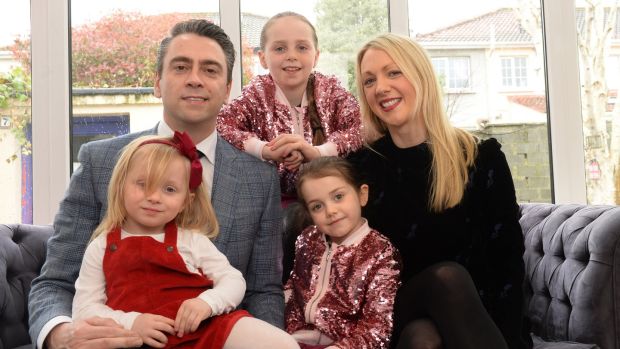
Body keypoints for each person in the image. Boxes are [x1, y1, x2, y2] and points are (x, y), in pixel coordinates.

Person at [29, 19, 284, 349]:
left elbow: (263, 290)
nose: (195, 79)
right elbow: (55, 281)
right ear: (158, 83)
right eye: (180, 67)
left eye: (210, 70)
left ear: (226, 89)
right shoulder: (100, 161)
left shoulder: (259, 178)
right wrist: (62, 335)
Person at [348, 33, 532, 349]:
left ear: (421, 77)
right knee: (446, 279)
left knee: (425, 338)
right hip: (391, 312)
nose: (380, 87)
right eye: (369, 80)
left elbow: (507, 261)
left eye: (393, 72)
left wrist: (510, 336)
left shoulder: (480, 157)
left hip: (471, 316)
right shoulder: (360, 167)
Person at [72, 132, 297, 349]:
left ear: (185, 201)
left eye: (169, 189)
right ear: (120, 186)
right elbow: (85, 309)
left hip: (204, 328)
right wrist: (131, 322)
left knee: (282, 343)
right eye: (142, 184)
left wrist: (207, 303)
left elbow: (233, 280)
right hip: (140, 338)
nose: (154, 197)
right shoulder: (101, 246)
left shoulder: (191, 240)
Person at [217, 11, 362, 201]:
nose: (291, 56)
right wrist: (265, 149)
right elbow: (221, 124)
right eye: (279, 49)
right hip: (273, 204)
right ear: (262, 58)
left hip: (330, 200)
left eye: (302, 47)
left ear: (316, 56)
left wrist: (318, 153)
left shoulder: (330, 91)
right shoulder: (257, 94)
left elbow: (362, 126)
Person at [285, 157, 401, 349]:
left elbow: (377, 328)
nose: (330, 211)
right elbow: (294, 284)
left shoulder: (380, 252)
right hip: (294, 338)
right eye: (317, 206)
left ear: (362, 195)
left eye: (338, 197)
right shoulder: (307, 239)